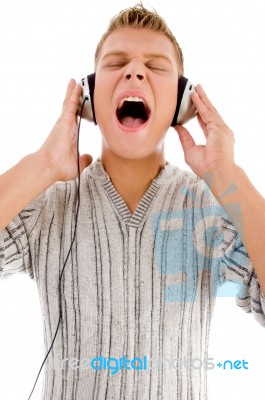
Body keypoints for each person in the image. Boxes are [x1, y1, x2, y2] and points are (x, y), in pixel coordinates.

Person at [1, 4, 265, 400]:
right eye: (117, 62)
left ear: (181, 104)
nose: (134, 71)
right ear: (88, 101)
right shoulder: (46, 208)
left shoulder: (209, 210)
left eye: (155, 66)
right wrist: (43, 165)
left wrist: (228, 175)